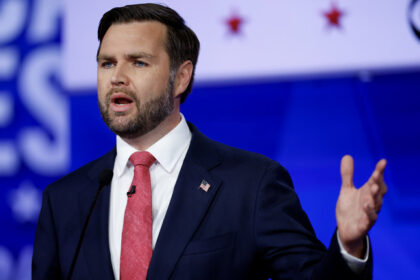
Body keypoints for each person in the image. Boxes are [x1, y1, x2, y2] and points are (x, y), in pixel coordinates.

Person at [32, 3, 387, 280]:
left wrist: (348, 245)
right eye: (107, 64)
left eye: (138, 63)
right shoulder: (64, 201)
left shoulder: (252, 185)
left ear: (181, 78)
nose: (117, 78)